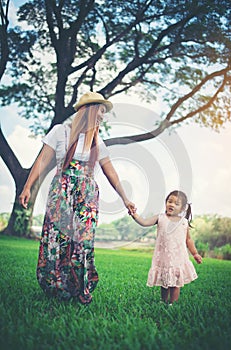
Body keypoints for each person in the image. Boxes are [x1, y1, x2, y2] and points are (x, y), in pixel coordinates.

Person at [19, 91, 136, 304]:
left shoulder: (96, 142)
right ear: (89, 110)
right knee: (58, 240)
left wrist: (125, 198)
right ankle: (57, 287)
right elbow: (42, 161)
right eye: (100, 111)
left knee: (83, 241)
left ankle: (81, 288)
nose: (102, 116)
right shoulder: (60, 132)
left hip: (87, 193)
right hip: (61, 192)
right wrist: (27, 187)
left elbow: (111, 172)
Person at [130, 190, 202, 305]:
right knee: (165, 281)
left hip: (178, 258)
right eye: (170, 201)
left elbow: (188, 240)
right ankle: (163, 301)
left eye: (176, 203)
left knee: (175, 283)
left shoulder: (184, 222)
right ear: (166, 203)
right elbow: (144, 222)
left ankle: (172, 303)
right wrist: (135, 215)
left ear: (182, 208)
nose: (171, 204)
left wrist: (195, 253)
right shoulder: (160, 218)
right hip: (164, 257)